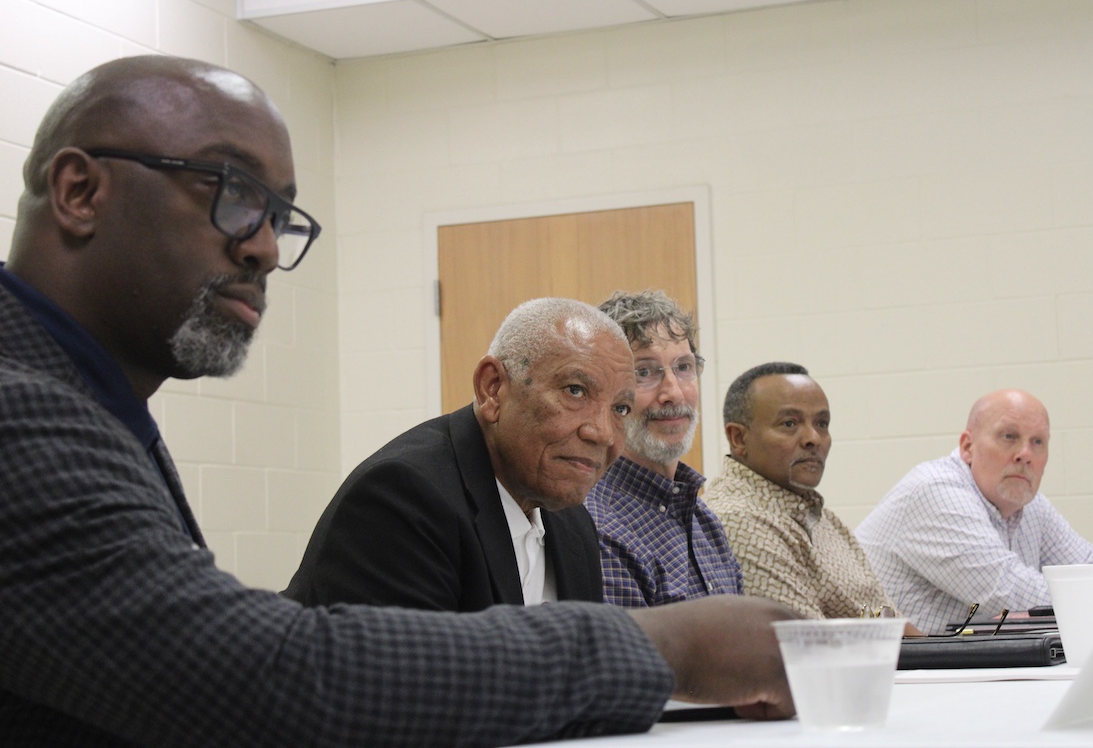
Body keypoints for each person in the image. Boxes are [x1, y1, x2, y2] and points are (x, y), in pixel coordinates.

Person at [0, 55, 796, 747]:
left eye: (280, 217)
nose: (266, 249)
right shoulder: (22, 416)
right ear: (80, 191)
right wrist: (663, 648)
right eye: (233, 192)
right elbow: (267, 680)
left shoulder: (90, 410)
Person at [284, 297, 624, 611]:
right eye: (575, 391)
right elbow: (412, 674)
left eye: (621, 409)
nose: (603, 433)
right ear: (493, 389)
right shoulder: (402, 499)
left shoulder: (572, 523)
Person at [855, 388, 1093, 635]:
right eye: (1009, 436)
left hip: (948, 675)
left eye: (1038, 442)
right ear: (967, 446)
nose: (1025, 454)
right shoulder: (934, 490)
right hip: (891, 683)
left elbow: (1090, 570)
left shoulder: (1029, 505)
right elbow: (1010, 596)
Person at [705, 363, 921, 634]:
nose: (813, 438)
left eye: (822, 423)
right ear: (738, 438)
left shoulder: (823, 519)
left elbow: (891, 621)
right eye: (789, 423)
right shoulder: (739, 520)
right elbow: (809, 646)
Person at [585, 290, 742, 607]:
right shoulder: (596, 528)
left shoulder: (705, 523)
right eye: (644, 372)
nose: (674, 393)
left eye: (683, 367)